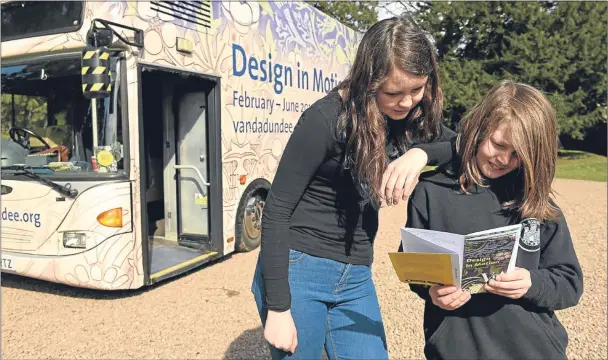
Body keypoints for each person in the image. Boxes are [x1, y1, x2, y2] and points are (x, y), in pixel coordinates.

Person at [251, 15, 458, 359]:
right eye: (393, 92)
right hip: (301, 266)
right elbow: (275, 211)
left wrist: (419, 153)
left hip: (356, 274)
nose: (406, 103)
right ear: (368, 80)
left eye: (417, 89)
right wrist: (278, 309)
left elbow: (459, 143)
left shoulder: (408, 118)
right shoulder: (325, 119)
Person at [404, 80, 584, 360]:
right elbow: (413, 263)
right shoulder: (432, 190)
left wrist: (531, 283)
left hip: (532, 350)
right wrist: (432, 291)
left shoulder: (535, 202)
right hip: (456, 348)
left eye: (518, 154)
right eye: (498, 144)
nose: (503, 159)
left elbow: (570, 282)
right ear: (479, 129)